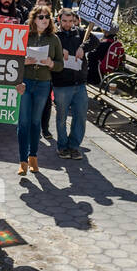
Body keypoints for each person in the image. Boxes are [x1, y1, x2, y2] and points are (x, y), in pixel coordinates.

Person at [17, 4, 63, 175]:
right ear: (34, 19)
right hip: (25, 83)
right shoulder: (24, 36)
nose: (44, 20)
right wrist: (24, 61)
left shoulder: (54, 39)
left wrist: (51, 63)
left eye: (47, 17)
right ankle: (22, 160)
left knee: (36, 122)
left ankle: (33, 157)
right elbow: (12, 58)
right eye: (41, 17)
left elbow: (60, 65)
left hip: (43, 83)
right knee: (23, 122)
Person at [50, 8, 95, 160]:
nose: (68, 24)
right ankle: (62, 147)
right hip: (61, 84)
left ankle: (74, 146)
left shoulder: (81, 33)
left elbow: (94, 41)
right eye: (64, 21)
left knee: (80, 116)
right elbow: (47, 49)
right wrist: (59, 50)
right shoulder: (54, 35)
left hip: (79, 83)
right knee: (61, 117)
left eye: (70, 21)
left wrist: (83, 47)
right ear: (59, 20)